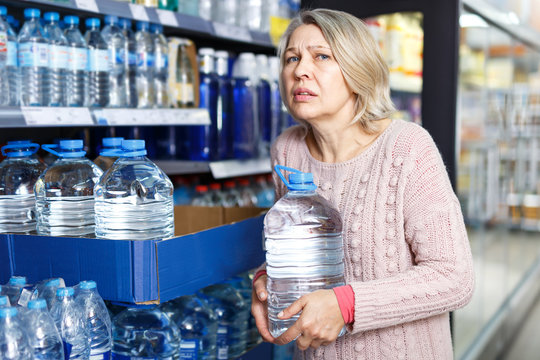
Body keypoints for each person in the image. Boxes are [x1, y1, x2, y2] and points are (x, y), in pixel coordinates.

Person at [251, 8, 474, 359]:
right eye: (291, 58)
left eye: (321, 56)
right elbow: (298, 246)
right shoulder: (287, 149)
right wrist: (270, 280)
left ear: (358, 70)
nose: (299, 70)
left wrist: (347, 304)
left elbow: (454, 277)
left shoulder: (407, 148)